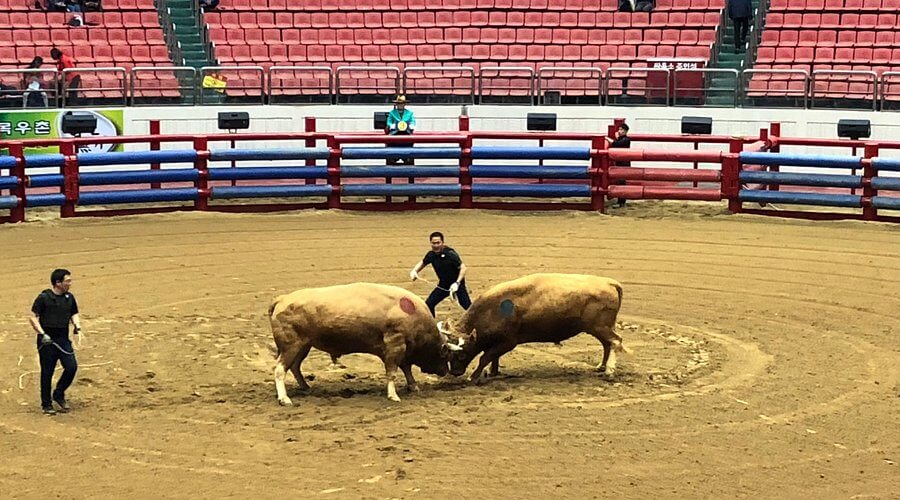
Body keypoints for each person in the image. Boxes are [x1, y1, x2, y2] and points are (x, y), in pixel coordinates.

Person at [30, 269, 82, 415]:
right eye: (67, 281)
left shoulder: (69, 298)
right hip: (47, 340)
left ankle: (58, 393)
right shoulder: (44, 298)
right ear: (58, 283)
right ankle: (46, 404)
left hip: (63, 339)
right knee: (47, 371)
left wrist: (77, 325)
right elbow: (33, 317)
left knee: (71, 367)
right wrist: (42, 334)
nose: (70, 283)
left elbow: (74, 313)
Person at [409, 232, 472, 317]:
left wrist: (457, 283)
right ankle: (432, 327)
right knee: (429, 304)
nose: (436, 245)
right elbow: (423, 262)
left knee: (467, 306)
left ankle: (478, 324)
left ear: (442, 242)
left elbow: (463, 268)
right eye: (433, 243)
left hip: (457, 285)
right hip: (443, 285)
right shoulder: (431, 255)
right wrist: (415, 271)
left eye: (438, 243)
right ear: (430, 243)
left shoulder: (450, 254)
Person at [606, 122, 631, 207]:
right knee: (620, 182)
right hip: (621, 163)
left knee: (621, 183)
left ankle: (621, 202)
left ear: (625, 131)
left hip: (623, 164)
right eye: (619, 129)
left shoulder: (626, 139)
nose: (619, 131)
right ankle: (621, 201)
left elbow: (616, 144)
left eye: (621, 129)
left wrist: (607, 139)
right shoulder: (622, 139)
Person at [386, 95, 416, 165]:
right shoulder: (392, 113)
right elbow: (389, 122)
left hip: (406, 132)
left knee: (411, 140)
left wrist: (411, 126)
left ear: (404, 104)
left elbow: (413, 122)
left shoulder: (410, 113)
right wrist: (392, 126)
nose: (400, 105)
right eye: (398, 103)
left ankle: (408, 156)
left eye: (402, 103)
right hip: (395, 132)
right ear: (396, 104)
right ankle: (392, 157)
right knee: (390, 140)